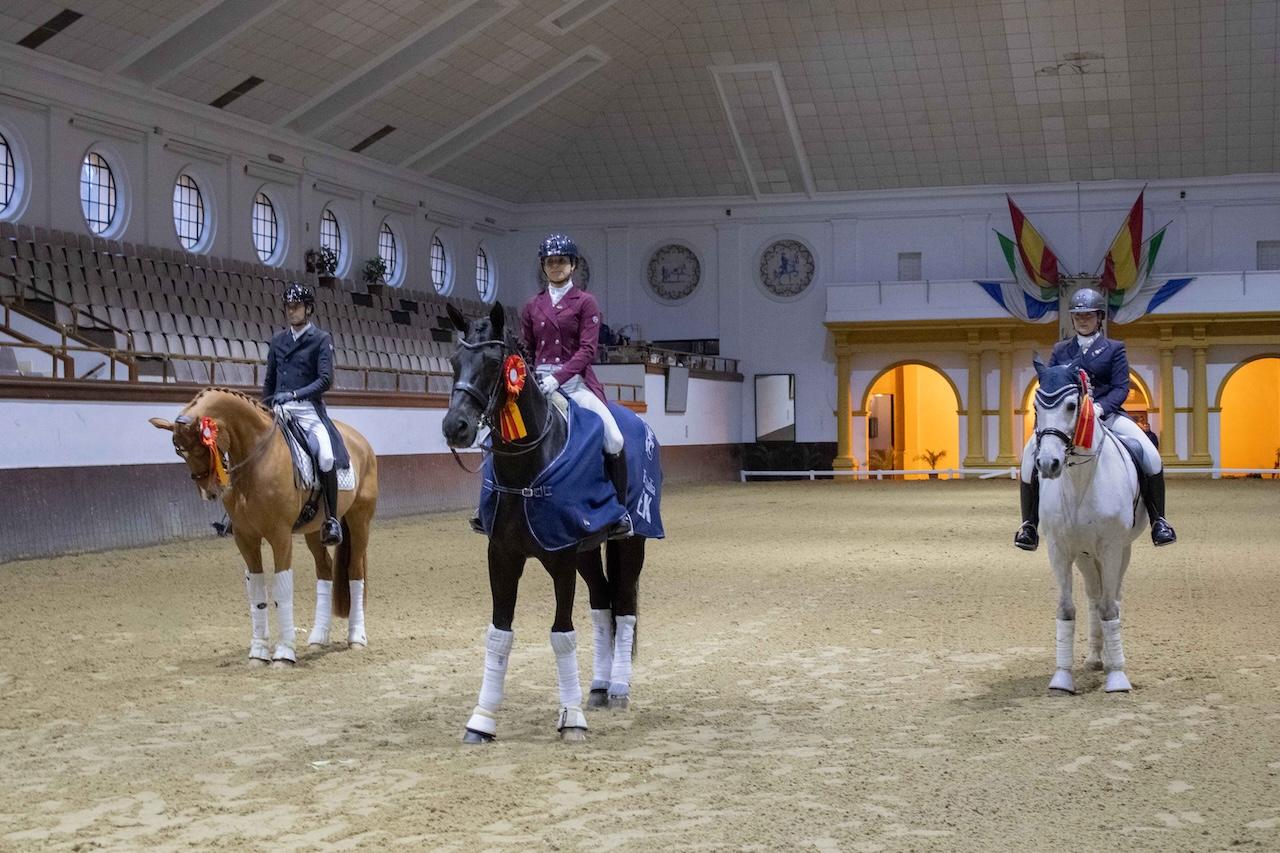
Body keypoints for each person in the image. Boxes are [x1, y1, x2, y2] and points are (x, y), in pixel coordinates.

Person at [1015, 286, 1177, 550]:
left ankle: (1159, 520)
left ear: (1099, 317)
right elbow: (1053, 383)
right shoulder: (1061, 350)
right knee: (1029, 454)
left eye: (1088, 315)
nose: (1083, 319)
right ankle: (1029, 525)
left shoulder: (1114, 349)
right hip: (1068, 421)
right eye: (1078, 315)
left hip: (1108, 415)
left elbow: (1121, 387)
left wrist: (1100, 407)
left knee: (1148, 452)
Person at [263, 283, 347, 546]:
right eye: (288, 307)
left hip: (307, 409)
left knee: (325, 455)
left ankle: (331, 519)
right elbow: (269, 380)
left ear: (308, 309)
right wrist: (264, 406)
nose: (291, 311)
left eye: (296, 306)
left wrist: (296, 395)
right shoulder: (278, 340)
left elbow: (325, 380)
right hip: (278, 408)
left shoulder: (321, 339)